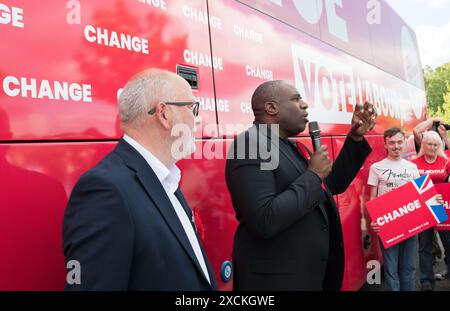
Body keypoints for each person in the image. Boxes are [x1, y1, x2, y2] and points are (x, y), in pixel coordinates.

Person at [62, 68, 217, 290]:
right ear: (164, 114)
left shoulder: (165, 177)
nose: (198, 120)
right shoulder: (106, 191)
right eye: (192, 108)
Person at [225, 80, 376, 291]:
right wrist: (313, 175)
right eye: (296, 99)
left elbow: (329, 186)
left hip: (307, 275)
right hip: (277, 283)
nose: (305, 105)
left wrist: (355, 138)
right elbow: (264, 219)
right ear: (271, 108)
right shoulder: (249, 144)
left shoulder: (288, 145)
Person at [367, 128, 420, 291]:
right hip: (388, 224)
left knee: (409, 267)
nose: (396, 146)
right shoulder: (376, 167)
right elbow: (372, 198)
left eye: (399, 142)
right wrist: (374, 220)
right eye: (391, 143)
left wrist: (435, 200)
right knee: (391, 269)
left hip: (411, 222)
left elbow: (419, 196)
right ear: (385, 144)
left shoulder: (412, 167)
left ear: (404, 142)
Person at [411, 131, 450, 291]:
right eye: (429, 144)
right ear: (423, 144)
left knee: (449, 243)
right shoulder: (414, 163)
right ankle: (427, 281)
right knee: (425, 246)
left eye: (435, 145)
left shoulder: (446, 161)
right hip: (423, 208)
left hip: (442, 207)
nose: (432, 148)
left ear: (439, 146)